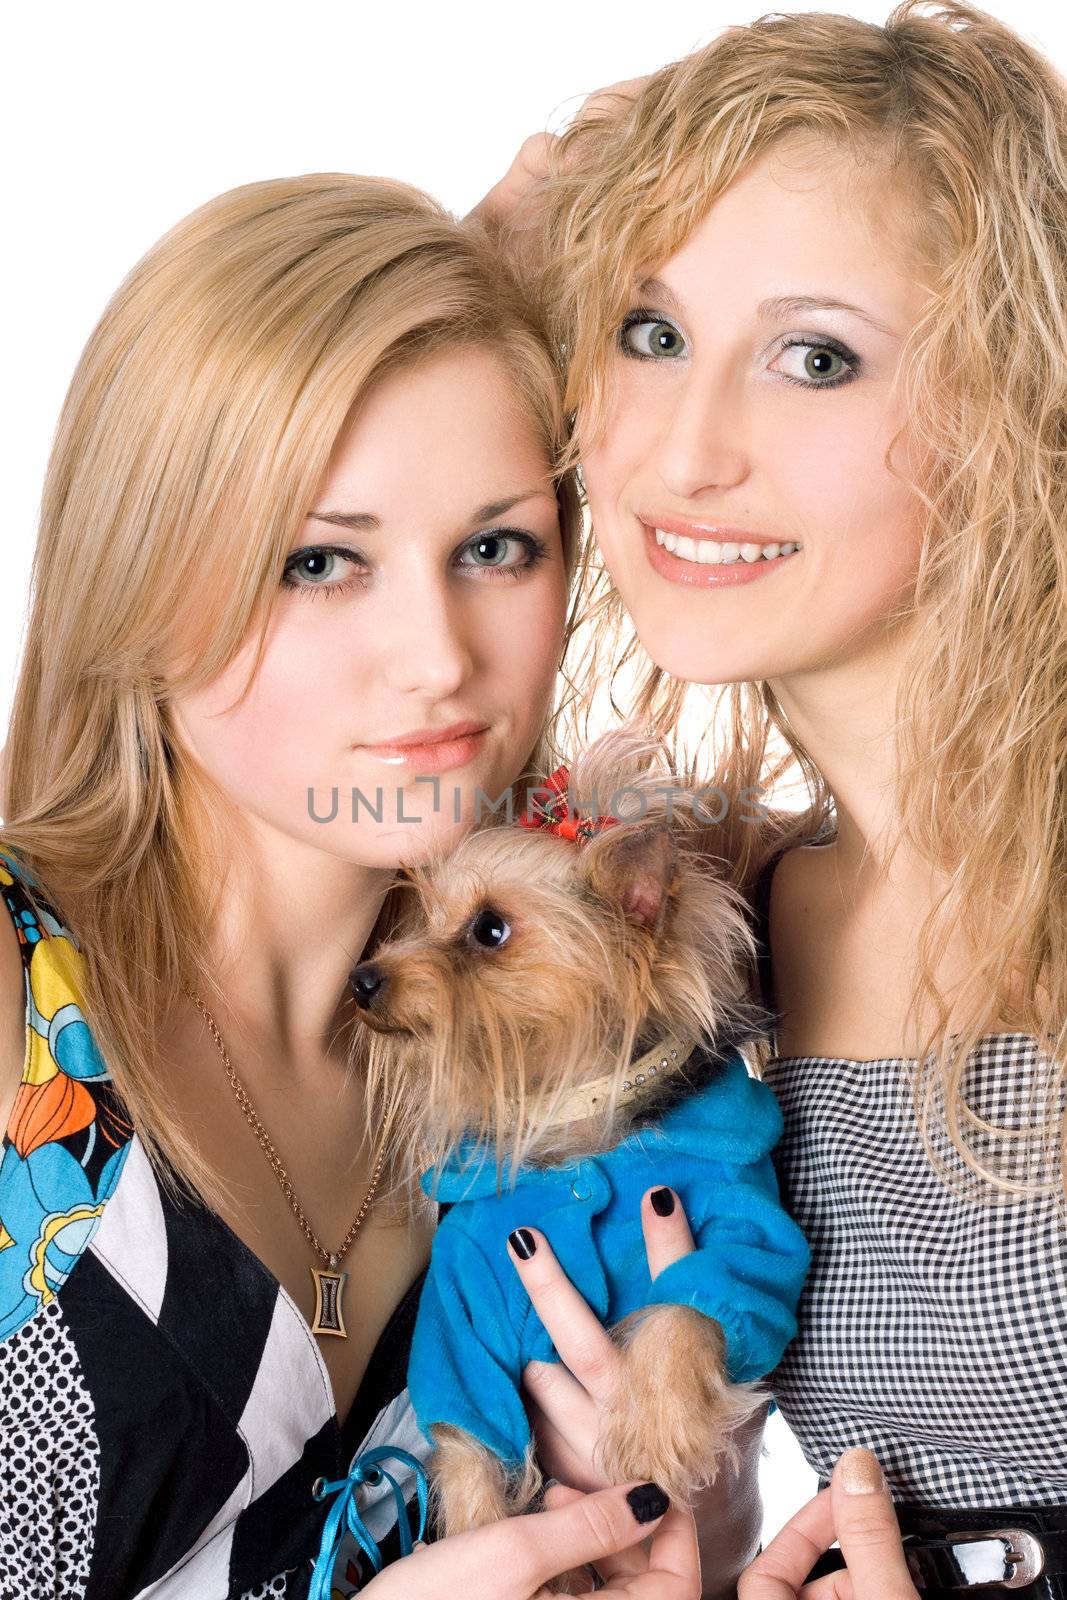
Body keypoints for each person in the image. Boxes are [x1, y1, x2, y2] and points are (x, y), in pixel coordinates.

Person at [0, 172, 732, 1598]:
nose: (438, 657)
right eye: (322, 560)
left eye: (495, 547)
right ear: (144, 572)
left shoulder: (545, 1054)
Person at [475, 1, 1067, 1596]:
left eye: (815, 357)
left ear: (1015, 404)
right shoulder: (726, 916)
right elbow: (251, 714)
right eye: (647, 332)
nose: (683, 447)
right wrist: (468, 284)